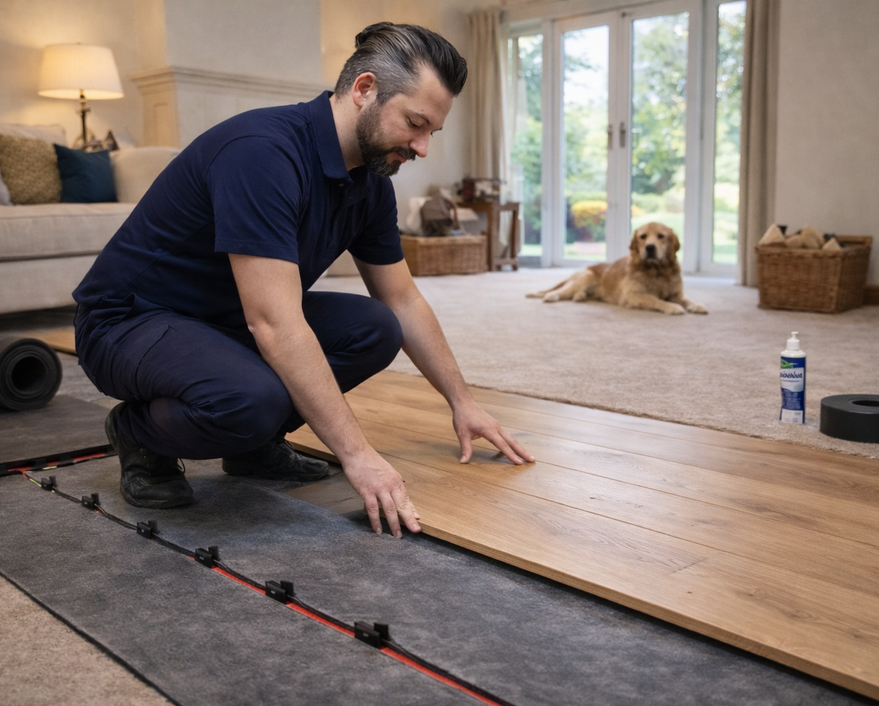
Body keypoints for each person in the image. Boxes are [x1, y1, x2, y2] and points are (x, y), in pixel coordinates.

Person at [73, 22, 534, 538]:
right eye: (415, 123)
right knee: (250, 398)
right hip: (131, 323)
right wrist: (359, 456)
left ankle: (250, 446)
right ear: (364, 90)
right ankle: (139, 435)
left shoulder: (373, 179)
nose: (423, 148)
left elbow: (402, 299)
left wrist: (462, 402)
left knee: (376, 326)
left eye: (432, 132)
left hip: (223, 322)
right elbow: (273, 324)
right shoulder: (262, 153)